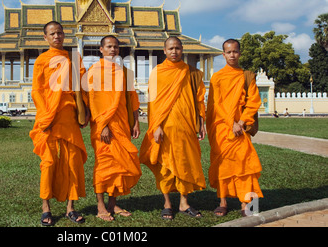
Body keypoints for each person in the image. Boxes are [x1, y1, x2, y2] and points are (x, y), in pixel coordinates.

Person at [29, 21, 89, 226]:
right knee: (48, 163)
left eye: (60, 33)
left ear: (64, 35)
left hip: (69, 117)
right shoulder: (41, 60)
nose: (57, 37)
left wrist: (84, 112)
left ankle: (70, 208)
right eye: (52, 34)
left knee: (72, 162)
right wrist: (45, 113)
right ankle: (45, 207)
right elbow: (36, 90)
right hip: (48, 117)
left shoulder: (73, 58)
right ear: (45, 37)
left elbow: (82, 87)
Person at [139, 36, 206, 220]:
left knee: (186, 163)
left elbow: (199, 99)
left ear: (182, 49)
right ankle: (167, 203)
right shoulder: (158, 72)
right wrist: (157, 125)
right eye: (171, 48)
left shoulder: (192, 73)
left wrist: (201, 122)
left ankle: (184, 203)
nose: (174, 51)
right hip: (165, 127)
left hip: (186, 126)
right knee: (165, 166)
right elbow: (154, 102)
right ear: (164, 50)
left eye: (177, 48)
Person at [86, 35, 141, 221]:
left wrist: (135, 122)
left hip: (121, 124)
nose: (113, 50)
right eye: (109, 46)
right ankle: (101, 206)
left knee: (118, 165)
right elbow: (93, 101)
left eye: (115, 47)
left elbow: (132, 98)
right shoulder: (94, 71)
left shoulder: (124, 72)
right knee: (104, 165)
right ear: (101, 50)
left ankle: (112, 203)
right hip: (103, 126)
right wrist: (103, 125)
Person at [206, 39, 263, 217]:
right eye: (228, 52)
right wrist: (231, 122)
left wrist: (242, 122)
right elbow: (216, 104)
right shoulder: (217, 77)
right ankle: (222, 201)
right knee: (223, 165)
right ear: (223, 55)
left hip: (241, 128)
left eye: (235, 51)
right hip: (223, 127)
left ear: (239, 53)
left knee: (244, 165)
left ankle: (246, 203)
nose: (232, 55)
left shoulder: (247, 76)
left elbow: (253, 101)